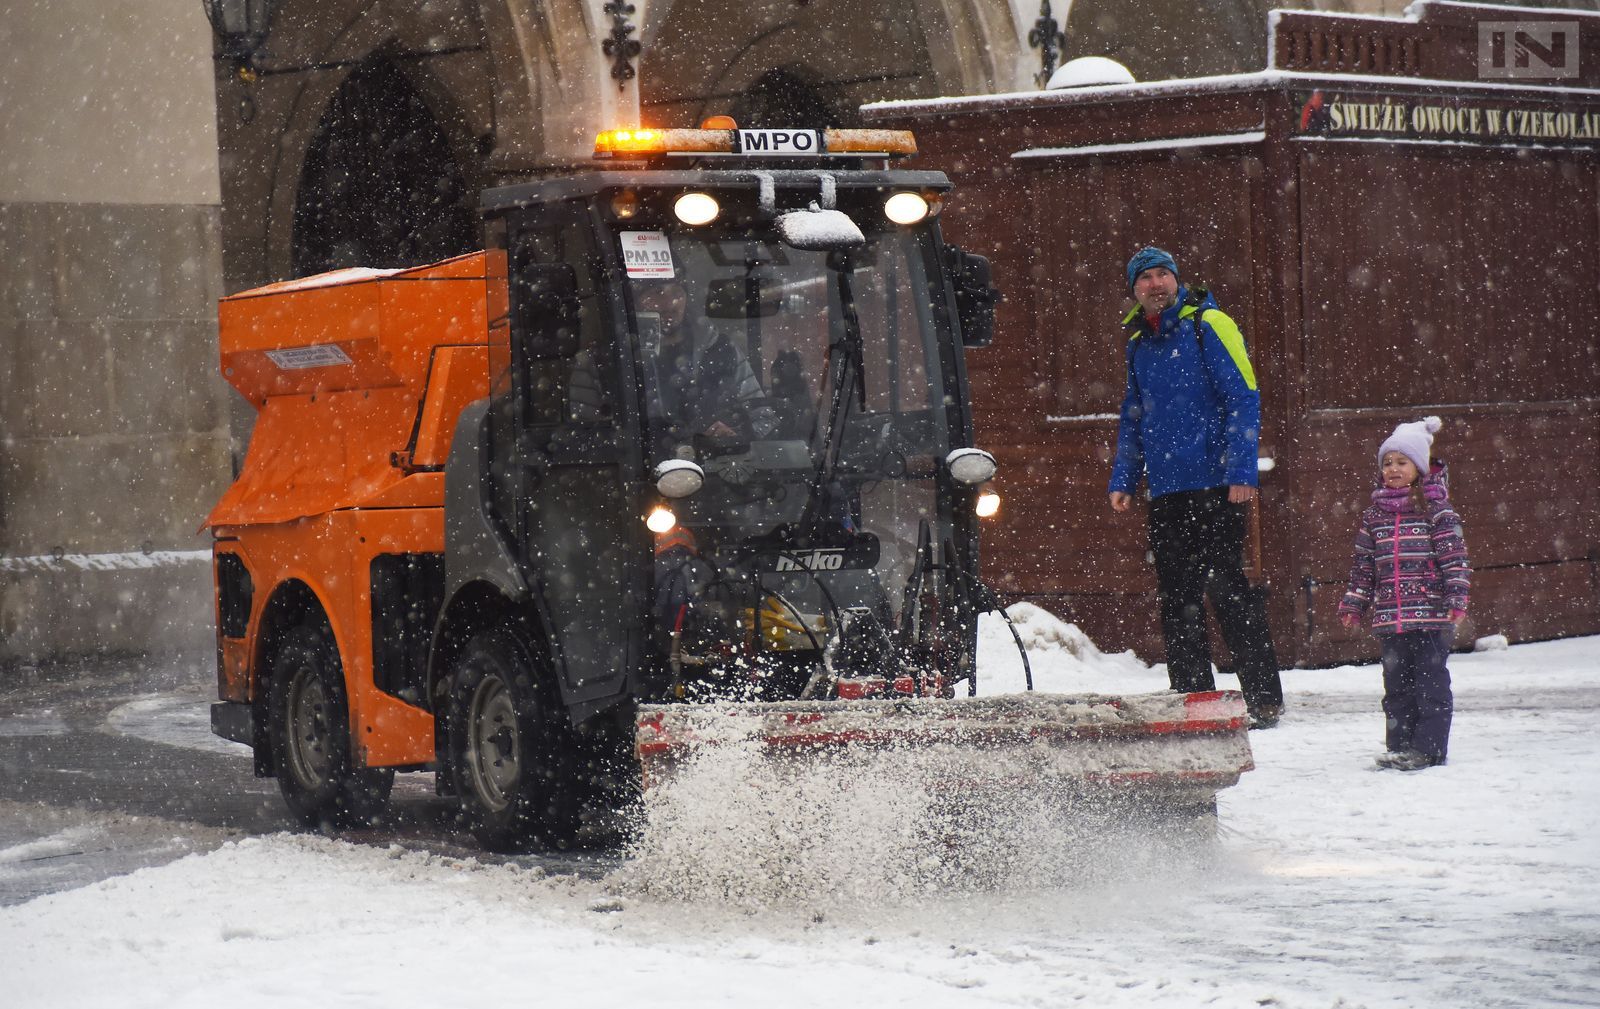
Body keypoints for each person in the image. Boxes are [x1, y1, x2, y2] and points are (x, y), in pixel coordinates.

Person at [1108, 246, 1285, 728]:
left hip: (1215, 483)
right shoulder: (1139, 345)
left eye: (1164, 275)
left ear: (1177, 281)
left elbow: (1244, 398)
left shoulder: (1211, 325)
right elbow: (1133, 414)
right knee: (1176, 595)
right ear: (1135, 290)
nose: (1156, 284)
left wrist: (1241, 471)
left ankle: (1263, 698)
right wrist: (1124, 477)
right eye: (1146, 279)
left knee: (1226, 587)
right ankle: (1193, 699)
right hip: (1167, 490)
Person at [1337, 417, 1471, 771]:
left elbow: (1454, 559)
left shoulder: (1437, 512)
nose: (1393, 469)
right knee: (1397, 689)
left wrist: (1457, 596)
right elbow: (1364, 566)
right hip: (1391, 617)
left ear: (1419, 468)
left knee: (1430, 686)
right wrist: (1354, 602)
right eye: (1387, 462)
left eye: (1401, 462)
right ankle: (1399, 746)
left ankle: (1428, 749)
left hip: (1429, 615)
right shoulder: (1373, 516)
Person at [637, 281, 774, 442]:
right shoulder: (621, 355)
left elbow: (763, 418)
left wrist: (734, 436)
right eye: (658, 292)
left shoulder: (722, 349)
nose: (670, 303)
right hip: (646, 463)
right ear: (636, 300)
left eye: (677, 293)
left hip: (717, 464)